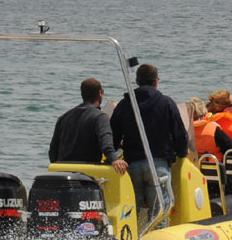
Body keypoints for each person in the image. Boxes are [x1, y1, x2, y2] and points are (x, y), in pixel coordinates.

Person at [110, 63, 188, 227]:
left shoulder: (125, 104)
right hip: (158, 165)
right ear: (155, 81)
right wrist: (181, 153)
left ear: (137, 81)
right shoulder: (166, 103)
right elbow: (180, 134)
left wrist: (113, 156)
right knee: (159, 214)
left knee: (131, 214)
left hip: (132, 165)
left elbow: (113, 135)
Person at [49, 78, 129, 175]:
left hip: (63, 172)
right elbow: (106, 143)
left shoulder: (63, 117)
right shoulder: (100, 117)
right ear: (100, 93)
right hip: (87, 172)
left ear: (82, 94)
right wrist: (114, 159)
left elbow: (53, 153)